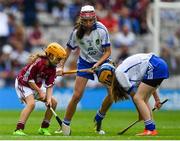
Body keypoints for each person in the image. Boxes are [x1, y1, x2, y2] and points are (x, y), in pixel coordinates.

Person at [56, 5, 113, 135]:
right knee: (76, 96)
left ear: (94, 18)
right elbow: (69, 49)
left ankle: (99, 117)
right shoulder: (76, 32)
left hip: (102, 62)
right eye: (85, 21)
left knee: (112, 95)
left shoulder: (102, 30)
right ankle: (65, 125)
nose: (88, 23)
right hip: (84, 62)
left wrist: (98, 64)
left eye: (91, 20)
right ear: (81, 20)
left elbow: (108, 52)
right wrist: (61, 66)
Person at [97, 53, 169, 136]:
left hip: (154, 66)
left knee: (138, 98)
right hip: (159, 65)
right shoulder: (127, 71)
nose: (109, 84)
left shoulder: (119, 74)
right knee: (143, 99)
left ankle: (150, 129)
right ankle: (151, 128)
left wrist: (140, 114)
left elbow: (134, 96)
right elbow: (149, 85)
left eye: (108, 81)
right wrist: (157, 100)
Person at [13, 42, 67, 136]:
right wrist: (40, 91)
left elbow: (49, 86)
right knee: (31, 104)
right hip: (23, 83)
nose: (59, 61)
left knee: (53, 103)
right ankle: (18, 129)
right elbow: (29, 80)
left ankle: (44, 128)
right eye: (58, 58)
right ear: (50, 55)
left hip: (35, 85)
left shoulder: (52, 69)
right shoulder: (37, 63)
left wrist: (49, 99)